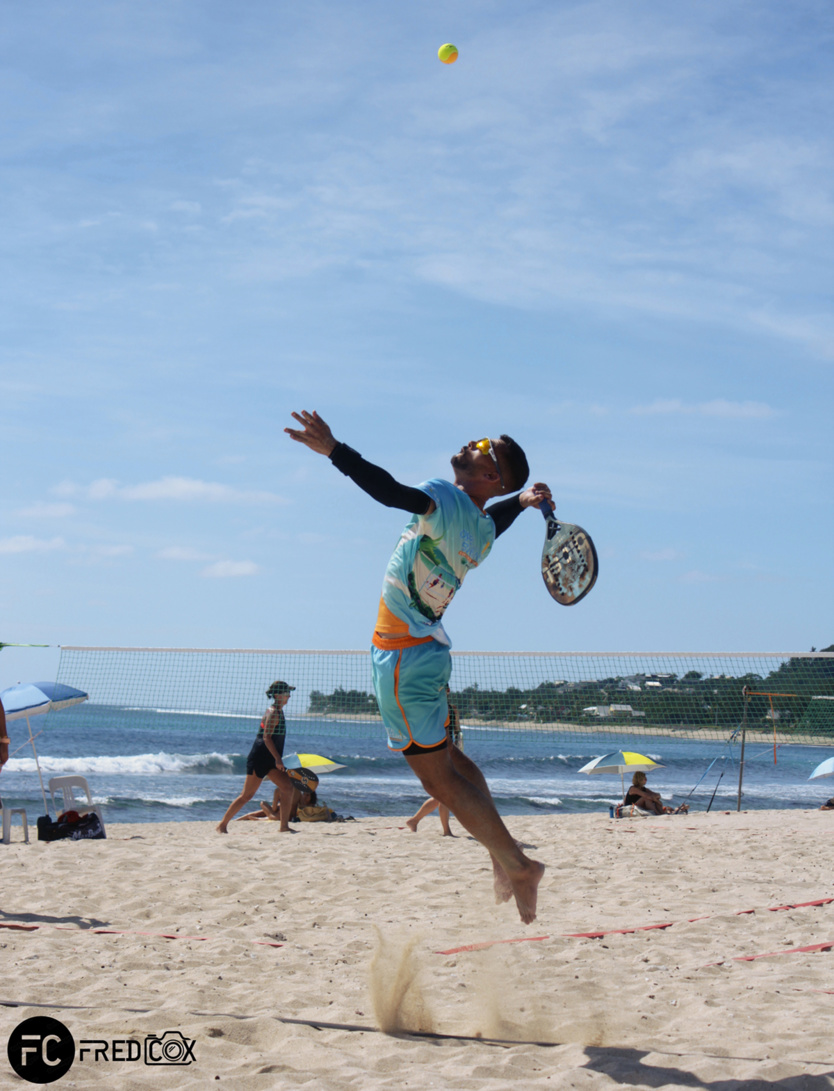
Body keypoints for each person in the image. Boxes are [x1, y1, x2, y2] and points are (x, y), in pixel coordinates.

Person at [285, 409, 548, 923]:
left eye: (482, 447)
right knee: (450, 760)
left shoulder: (446, 498)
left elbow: (391, 493)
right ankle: (504, 856)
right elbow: (495, 519)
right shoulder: (480, 531)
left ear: (488, 476)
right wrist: (520, 500)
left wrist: (336, 451)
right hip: (428, 653)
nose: (470, 444)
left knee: (439, 782)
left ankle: (518, 865)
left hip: (403, 655)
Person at [216, 681, 299, 833]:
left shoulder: (279, 711)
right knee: (246, 796)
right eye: (286, 693)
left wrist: (276, 759)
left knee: (288, 788)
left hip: (270, 760)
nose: (289, 696)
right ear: (277, 695)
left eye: (289, 693)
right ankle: (222, 825)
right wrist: (278, 759)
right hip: (260, 759)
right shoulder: (273, 712)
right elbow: (266, 738)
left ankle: (284, 826)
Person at [407, 688, 461, 836]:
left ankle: (415, 820)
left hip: (449, 752)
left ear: (448, 691)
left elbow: (457, 731)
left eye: (445, 689)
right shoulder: (431, 708)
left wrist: (458, 751)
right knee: (444, 793)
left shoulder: (451, 709)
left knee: (442, 794)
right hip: (435, 753)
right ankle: (445, 830)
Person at [624, 771, 688, 815]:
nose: (646, 780)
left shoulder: (644, 789)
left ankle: (662, 813)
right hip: (630, 808)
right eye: (644, 778)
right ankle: (658, 814)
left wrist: (655, 799)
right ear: (639, 779)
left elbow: (658, 795)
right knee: (646, 798)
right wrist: (653, 798)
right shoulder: (633, 788)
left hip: (638, 806)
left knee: (655, 800)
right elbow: (646, 796)